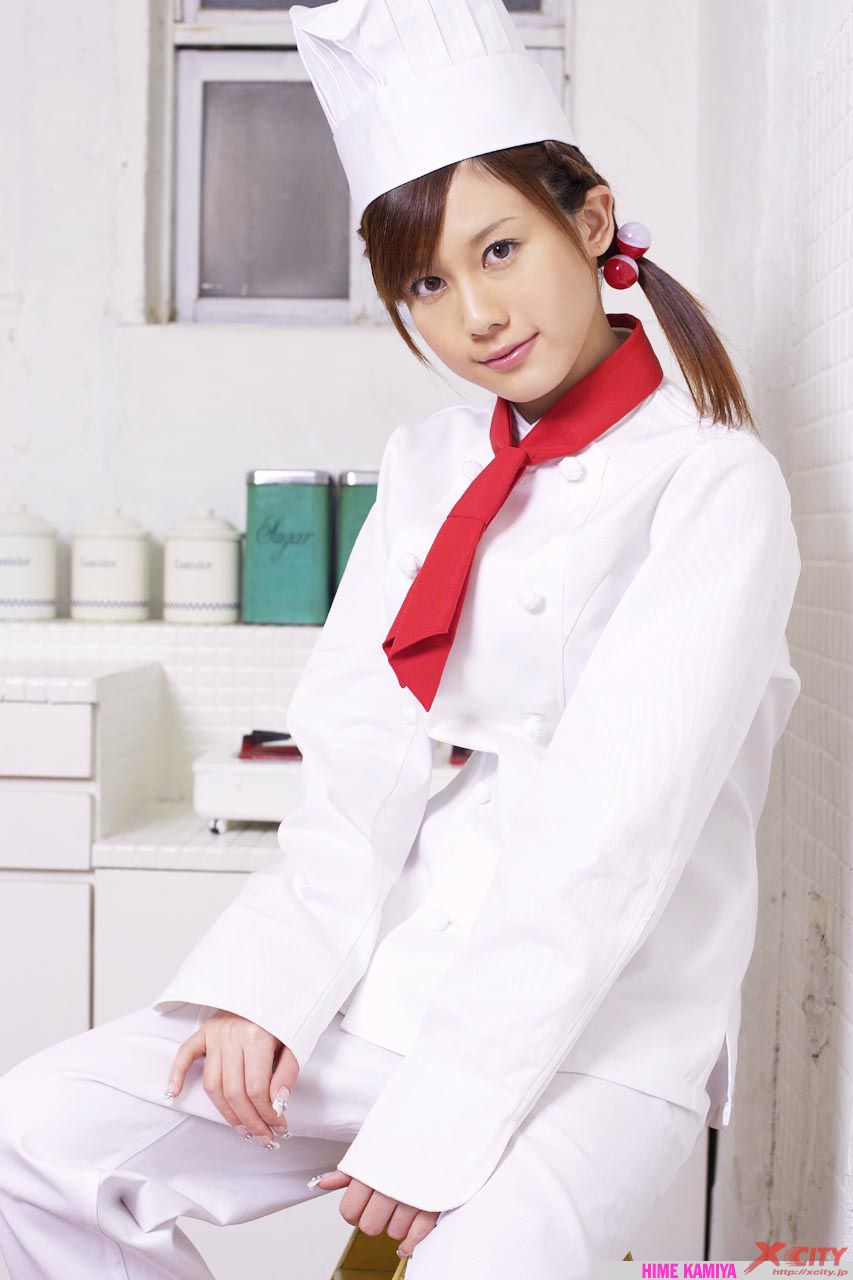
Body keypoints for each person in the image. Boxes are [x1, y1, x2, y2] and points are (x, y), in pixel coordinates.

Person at [0, 0, 802, 1276]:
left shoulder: (714, 486)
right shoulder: (428, 462)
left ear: (592, 222)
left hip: (603, 1036)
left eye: (500, 250)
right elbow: (359, 754)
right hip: (387, 990)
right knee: (32, 1138)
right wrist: (269, 986)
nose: (474, 313)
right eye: (427, 281)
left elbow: (608, 838)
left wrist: (442, 1117)